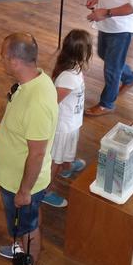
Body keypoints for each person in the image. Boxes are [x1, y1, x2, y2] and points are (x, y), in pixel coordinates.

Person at [0, 33, 58, 265]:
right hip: (12, 177)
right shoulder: (30, 82)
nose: (2, 62)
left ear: (15, 61)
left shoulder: (37, 101)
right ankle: (19, 247)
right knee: (22, 225)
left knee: (28, 228)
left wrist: (24, 191)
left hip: (21, 183)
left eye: (4, 58)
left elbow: (37, 154)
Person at [42, 29, 93, 208]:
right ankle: (45, 191)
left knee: (65, 153)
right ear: (84, 52)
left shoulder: (74, 69)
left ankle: (67, 165)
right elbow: (52, 103)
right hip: (63, 127)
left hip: (71, 123)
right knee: (55, 159)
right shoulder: (68, 78)